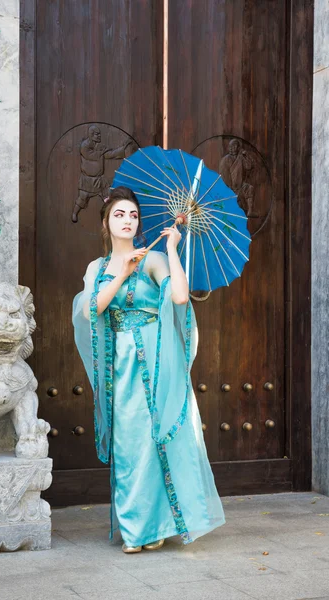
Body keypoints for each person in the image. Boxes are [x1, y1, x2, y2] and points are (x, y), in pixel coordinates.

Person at [72, 186, 225, 554]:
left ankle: (152, 528)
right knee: (129, 444)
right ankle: (136, 527)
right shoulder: (98, 267)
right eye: (119, 215)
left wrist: (173, 248)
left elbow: (180, 298)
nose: (128, 221)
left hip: (157, 358)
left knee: (156, 440)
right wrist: (122, 273)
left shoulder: (154, 258)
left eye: (133, 215)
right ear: (106, 223)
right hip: (120, 366)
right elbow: (88, 311)